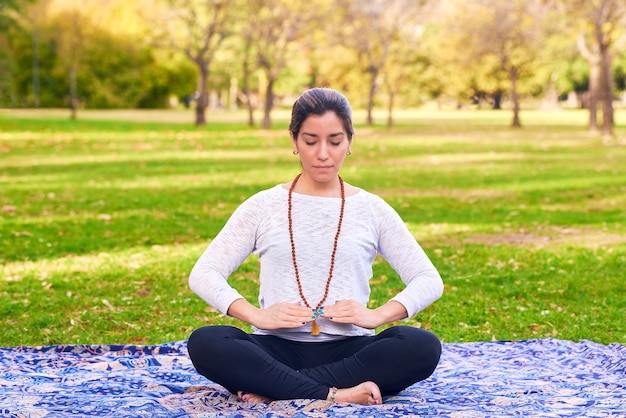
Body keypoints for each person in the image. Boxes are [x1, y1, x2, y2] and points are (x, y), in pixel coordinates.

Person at [187, 87, 444, 406]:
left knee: (422, 345)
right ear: (294, 141)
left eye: (335, 141)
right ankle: (337, 394)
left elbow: (428, 279)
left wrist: (376, 316)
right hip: (273, 350)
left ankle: (279, 389)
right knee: (206, 342)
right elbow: (204, 273)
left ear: (350, 141)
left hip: (350, 352)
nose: (323, 153)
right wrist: (257, 315)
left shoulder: (372, 209)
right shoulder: (264, 206)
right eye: (311, 141)